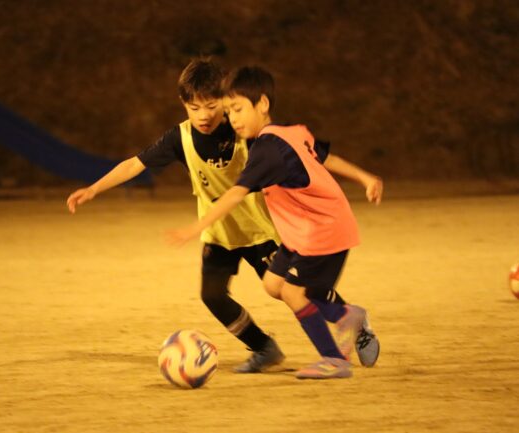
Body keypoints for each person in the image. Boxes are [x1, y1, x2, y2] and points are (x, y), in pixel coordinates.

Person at [67, 58, 378, 373]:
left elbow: (310, 154)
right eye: (194, 107)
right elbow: (135, 164)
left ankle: (351, 320)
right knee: (213, 296)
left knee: (292, 290)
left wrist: (362, 177)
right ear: (183, 104)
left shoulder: (247, 130)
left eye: (212, 106)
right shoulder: (180, 138)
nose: (203, 115)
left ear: (226, 101)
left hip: (260, 231)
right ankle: (264, 348)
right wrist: (94, 188)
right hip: (220, 233)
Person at [168, 65, 383, 379]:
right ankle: (349, 316)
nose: (232, 119)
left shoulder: (267, 150)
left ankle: (334, 359)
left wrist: (196, 228)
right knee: (273, 284)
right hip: (304, 232)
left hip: (323, 231)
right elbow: (325, 157)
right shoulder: (290, 132)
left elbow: (234, 194)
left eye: (238, 109)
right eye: (229, 111)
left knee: (295, 293)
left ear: (263, 104)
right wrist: (366, 177)